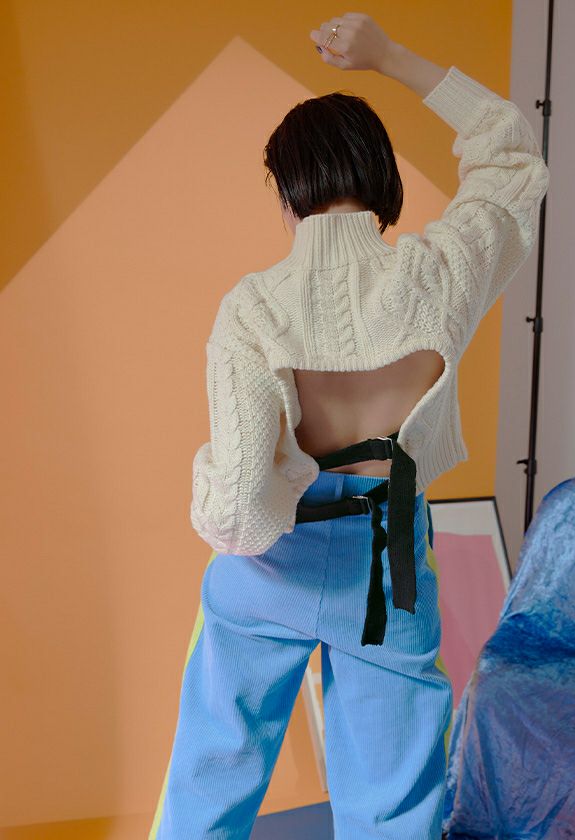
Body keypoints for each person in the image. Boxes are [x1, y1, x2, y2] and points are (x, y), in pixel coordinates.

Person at [149, 12, 550, 840]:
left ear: (287, 189)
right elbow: (511, 154)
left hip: (272, 565)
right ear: (382, 177)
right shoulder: (440, 275)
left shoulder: (253, 308)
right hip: (387, 567)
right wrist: (389, 57)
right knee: (396, 801)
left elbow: (238, 512)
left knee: (209, 780)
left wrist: (209, 482)